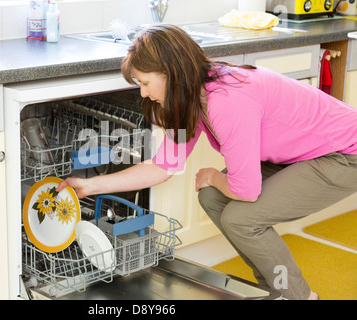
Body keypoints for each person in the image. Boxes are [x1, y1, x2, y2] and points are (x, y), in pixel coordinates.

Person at [57, 24, 357, 299]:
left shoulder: (227, 100)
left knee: (240, 217)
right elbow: (163, 166)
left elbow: (246, 192)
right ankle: (272, 288)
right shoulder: (190, 98)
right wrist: (89, 185)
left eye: (146, 82)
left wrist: (214, 175)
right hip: (300, 153)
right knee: (213, 198)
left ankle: (298, 297)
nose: (143, 92)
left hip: (344, 155)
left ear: (171, 73)